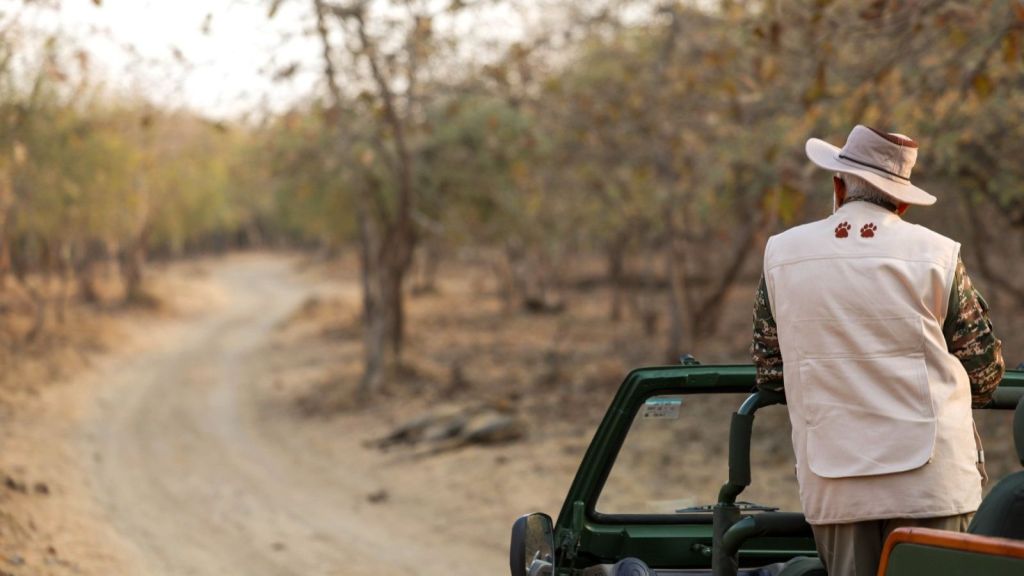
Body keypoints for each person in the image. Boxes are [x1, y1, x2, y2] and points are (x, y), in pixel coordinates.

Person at [750, 125, 1005, 576]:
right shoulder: (939, 255)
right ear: (902, 202)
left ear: (838, 186)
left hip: (837, 487)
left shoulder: (781, 255)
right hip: (933, 488)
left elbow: (771, 373)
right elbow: (984, 375)